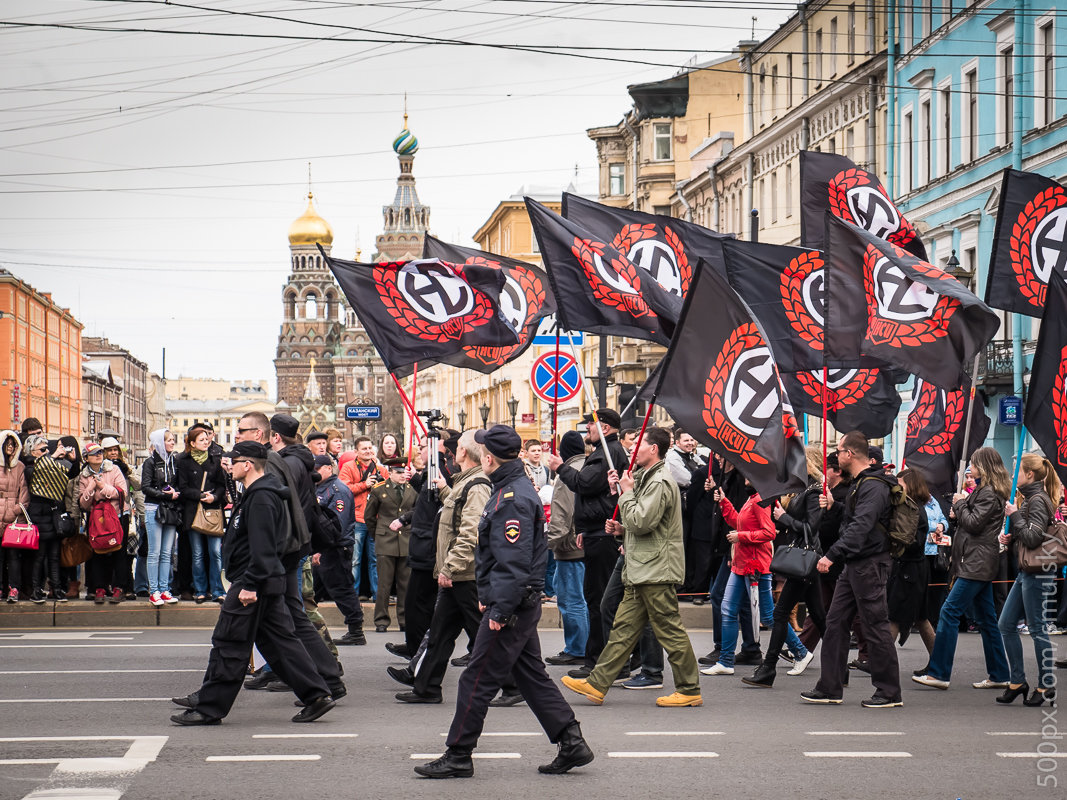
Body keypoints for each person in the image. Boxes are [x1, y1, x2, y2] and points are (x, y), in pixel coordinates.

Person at [414, 425, 593, 779]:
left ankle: (459, 754)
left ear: (490, 458)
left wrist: (499, 609)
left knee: (475, 678)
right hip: (514, 604)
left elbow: (513, 564)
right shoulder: (509, 489)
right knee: (530, 675)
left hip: (511, 607)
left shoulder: (511, 498)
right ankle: (571, 742)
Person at [170, 441, 336, 726]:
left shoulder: (261, 497)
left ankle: (210, 708)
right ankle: (317, 695)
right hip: (262, 580)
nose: (228, 466)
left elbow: (264, 548)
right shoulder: (260, 492)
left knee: (229, 642)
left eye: (233, 462)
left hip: (252, 582)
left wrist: (249, 585)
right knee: (280, 643)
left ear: (247, 465)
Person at [561, 427, 702, 708]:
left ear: (654, 449)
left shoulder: (660, 480)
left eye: (641, 443)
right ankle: (598, 683)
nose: (634, 448)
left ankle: (689, 688)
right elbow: (642, 525)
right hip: (643, 567)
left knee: (669, 628)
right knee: (623, 628)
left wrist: (625, 496)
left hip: (656, 569)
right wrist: (622, 528)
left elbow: (643, 521)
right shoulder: (648, 478)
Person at [234, 412, 345, 699]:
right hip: (290, 548)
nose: (237, 435)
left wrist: (266, 555)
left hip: (283, 551)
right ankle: (321, 678)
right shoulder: (291, 459)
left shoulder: (278, 462)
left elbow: (275, 513)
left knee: (290, 618)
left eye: (242, 430)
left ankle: (321, 680)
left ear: (263, 435)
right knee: (289, 617)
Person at [801, 431, 903, 708]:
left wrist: (832, 556)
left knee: (875, 626)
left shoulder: (874, 485)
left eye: (841, 450)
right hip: (856, 563)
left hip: (869, 563)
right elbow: (857, 516)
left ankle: (889, 692)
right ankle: (830, 687)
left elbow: (862, 526)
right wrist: (837, 507)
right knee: (835, 623)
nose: (837, 455)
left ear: (850, 454)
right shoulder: (864, 484)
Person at [393, 430, 492, 703]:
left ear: (464, 453)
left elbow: (470, 531)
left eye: (457, 447)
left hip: (465, 573)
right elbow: (456, 512)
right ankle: (426, 688)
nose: (453, 450)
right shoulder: (465, 482)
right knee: (439, 633)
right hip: (456, 572)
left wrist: (451, 567)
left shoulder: (477, 484)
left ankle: (513, 682)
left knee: (484, 633)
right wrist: (446, 490)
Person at [914, 446, 1011, 692]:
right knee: (987, 620)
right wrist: (961, 509)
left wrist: (960, 505)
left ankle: (939, 672)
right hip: (976, 561)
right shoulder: (985, 492)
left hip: (976, 563)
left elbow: (975, 523)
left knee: (949, 611)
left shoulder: (988, 493)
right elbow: (970, 522)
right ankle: (999, 673)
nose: (971, 470)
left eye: (974, 465)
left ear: (985, 467)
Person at [544, 408, 628, 679]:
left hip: (603, 536)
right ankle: (610, 660)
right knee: (600, 598)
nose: (587, 431)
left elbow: (585, 484)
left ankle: (600, 662)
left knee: (598, 600)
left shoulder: (606, 452)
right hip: (596, 531)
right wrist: (584, 527)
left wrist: (560, 468)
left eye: (591, 426)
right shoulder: (606, 451)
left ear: (604, 428)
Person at [702, 475, 810, 677]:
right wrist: (724, 502)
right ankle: (726, 661)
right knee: (728, 609)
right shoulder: (754, 499)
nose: (745, 477)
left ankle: (800, 652)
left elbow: (769, 532)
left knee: (767, 616)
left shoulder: (760, 500)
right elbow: (739, 522)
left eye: (749, 474)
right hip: (744, 564)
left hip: (755, 566)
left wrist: (740, 536)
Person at [742, 446, 825, 687]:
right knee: (819, 617)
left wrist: (784, 519)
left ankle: (768, 669)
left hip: (806, 558)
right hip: (803, 557)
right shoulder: (802, 488)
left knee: (780, 614)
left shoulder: (813, 490)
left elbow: (811, 527)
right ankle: (838, 666)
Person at [995, 454, 1061, 706]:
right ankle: (1017, 681)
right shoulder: (1033, 499)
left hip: (1038, 572)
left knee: (1037, 628)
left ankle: (1045, 685)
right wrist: (1013, 539)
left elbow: (1034, 538)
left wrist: (1015, 516)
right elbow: (1031, 536)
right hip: (1028, 571)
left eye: (1017, 472)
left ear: (1030, 474)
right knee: (1006, 624)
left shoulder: (1037, 500)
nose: (1013, 477)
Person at [544, 431, 589, 666]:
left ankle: (576, 648)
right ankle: (585, 645)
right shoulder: (589, 466)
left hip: (570, 547)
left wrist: (547, 544)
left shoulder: (565, 474)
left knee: (571, 599)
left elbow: (561, 516)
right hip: (588, 544)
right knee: (583, 599)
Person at [313, 454, 366, 645]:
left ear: (329, 468)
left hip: (335, 547)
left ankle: (356, 631)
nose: (315, 473)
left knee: (341, 588)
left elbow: (337, 525)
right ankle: (306, 626)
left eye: (318, 469)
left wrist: (320, 548)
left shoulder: (338, 490)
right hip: (323, 547)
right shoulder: (320, 487)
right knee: (311, 591)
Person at [887, 469, 937, 664]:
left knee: (895, 616)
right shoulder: (912, 507)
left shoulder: (914, 509)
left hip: (910, 569)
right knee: (920, 618)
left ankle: (881, 664)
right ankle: (938, 664)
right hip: (912, 568)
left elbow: (914, 542)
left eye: (901, 483)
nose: (898, 487)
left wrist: (895, 540)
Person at [364, 459, 417, 632]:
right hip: (385, 540)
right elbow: (369, 516)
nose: (402, 476)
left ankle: (404, 619)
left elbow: (416, 513)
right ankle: (381, 620)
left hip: (406, 541)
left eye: (404, 473)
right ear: (390, 473)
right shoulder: (379, 490)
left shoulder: (412, 490)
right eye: (398, 473)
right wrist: (377, 535)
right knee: (384, 584)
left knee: (405, 584)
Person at [176, 426, 227, 604]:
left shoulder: (215, 460)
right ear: (192, 443)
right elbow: (182, 488)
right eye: (202, 440)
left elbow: (222, 486)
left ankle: (218, 590)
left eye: (207, 439)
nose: (206, 442)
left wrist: (214, 497)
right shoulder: (184, 461)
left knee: (215, 553)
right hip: (193, 513)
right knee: (197, 554)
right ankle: (200, 590)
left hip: (212, 512)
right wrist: (200, 495)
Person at [78, 442, 129, 604]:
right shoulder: (84, 476)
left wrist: (103, 487)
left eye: (100, 452)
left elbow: (122, 492)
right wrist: (92, 485)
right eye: (94, 453)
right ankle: (99, 587)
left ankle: (119, 588)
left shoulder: (113, 468)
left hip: (118, 515)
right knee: (98, 551)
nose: (99, 455)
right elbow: (83, 503)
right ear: (86, 458)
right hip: (97, 519)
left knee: (119, 551)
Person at [339, 436, 386, 599]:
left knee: (376, 560)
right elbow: (342, 490)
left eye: (370, 448)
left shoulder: (380, 469)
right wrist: (364, 485)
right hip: (357, 519)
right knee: (355, 560)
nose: (368, 451)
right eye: (364, 448)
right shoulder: (348, 467)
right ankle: (353, 594)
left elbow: (388, 492)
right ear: (356, 451)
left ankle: (377, 595)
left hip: (376, 519)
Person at [141, 429, 181, 606]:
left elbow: (177, 484)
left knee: (167, 553)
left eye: (173, 440)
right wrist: (166, 494)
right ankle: (154, 591)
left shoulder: (174, 461)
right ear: (159, 443)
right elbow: (145, 487)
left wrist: (175, 492)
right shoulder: (150, 463)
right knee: (154, 552)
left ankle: (165, 589)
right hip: (154, 508)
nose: (172, 443)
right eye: (169, 440)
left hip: (170, 509)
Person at [1, 430, 29, 603]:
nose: (10, 447)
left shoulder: (20, 467)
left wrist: (15, 510)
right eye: (7, 444)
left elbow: (24, 492)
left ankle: (13, 588)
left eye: (13, 444)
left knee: (13, 556)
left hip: (12, 518)